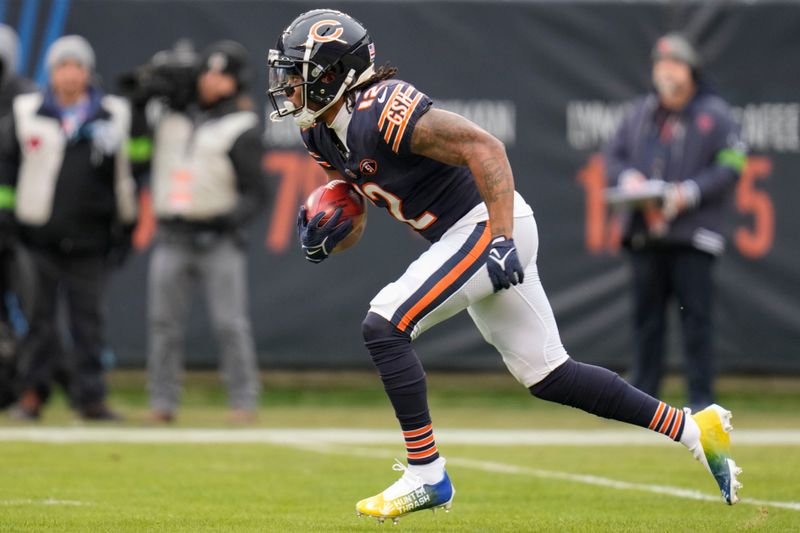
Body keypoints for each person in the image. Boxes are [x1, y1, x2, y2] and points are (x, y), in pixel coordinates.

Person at [267, 10, 743, 522]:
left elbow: (485, 148)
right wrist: (330, 233)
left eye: (299, 74)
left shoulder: (379, 107)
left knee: (385, 325)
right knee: (550, 374)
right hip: (466, 231)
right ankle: (695, 429)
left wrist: (500, 237)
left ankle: (427, 474)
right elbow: (358, 215)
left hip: (485, 223)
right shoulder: (320, 133)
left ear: (333, 74)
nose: (289, 87)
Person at [0, 35, 138, 420]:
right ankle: (32, 393)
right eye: (63, 66)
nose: (70, 74)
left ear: (88, 71)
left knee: (88, 323)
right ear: (52, 72)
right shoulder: (27, 110)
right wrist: (6, 217)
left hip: (91, 238)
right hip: (37, 237)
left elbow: (128, 172)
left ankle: (90, 397)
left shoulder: (112, 114)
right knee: (39, 321)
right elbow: (7, 167)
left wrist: (125, 223)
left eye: (77, 66)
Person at [604, 33, 744, 411]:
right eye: (660, 65)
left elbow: (733, 164)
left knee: (696, 321)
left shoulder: (713, 114)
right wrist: (627, 179)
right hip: (645, 235)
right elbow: (612, 160)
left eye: (674, 64)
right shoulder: (640, 114)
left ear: (691, 71)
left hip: (692, 236)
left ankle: (702, 400)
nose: (666, 72)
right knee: (645, 322)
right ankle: (642, 400)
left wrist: (691, 191)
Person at [142, 40, 266, 423]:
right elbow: (135, 131)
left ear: (235, 81)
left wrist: (226, 220)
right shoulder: (168, 115)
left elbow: (257, 193)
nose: (212, 81)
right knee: (163, 323)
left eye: (222, 75)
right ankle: (163, 402)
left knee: (230, 324)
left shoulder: (241, 125)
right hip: (172, 234)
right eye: (208, 72)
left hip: (218, 240)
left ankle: (243, 401)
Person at [0, 24, 37, 409]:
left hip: (22, 228)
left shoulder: (27, 99)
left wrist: (10, 213)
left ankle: (29, 388)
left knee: (34, 310)